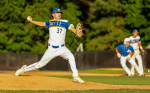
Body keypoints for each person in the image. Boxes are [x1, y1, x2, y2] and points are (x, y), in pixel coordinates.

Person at [15, 8, 84, 83]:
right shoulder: (50, 22)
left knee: (71, 57)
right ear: (53, 15)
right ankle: (23, 70)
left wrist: (78, 32)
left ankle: (75, 76)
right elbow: (41, 23)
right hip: (51, 49)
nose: (59, 14)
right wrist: (32, 21)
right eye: (57, 12)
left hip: (62, 48)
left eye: (60, 13)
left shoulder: (65, 22)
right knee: (39, 65)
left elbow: (73, 30)